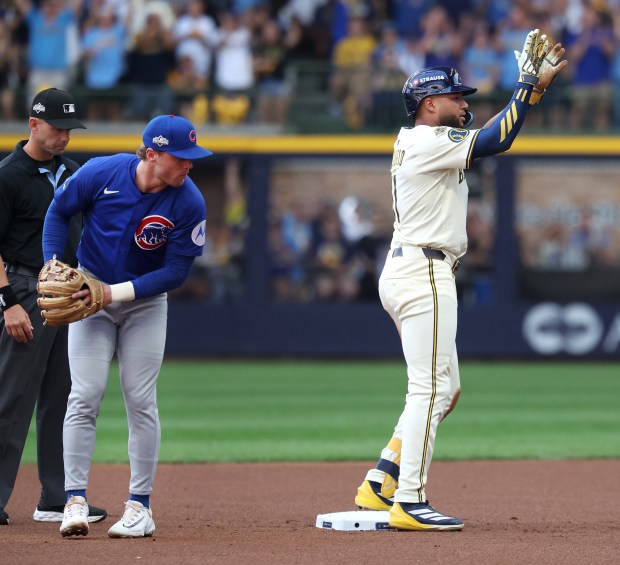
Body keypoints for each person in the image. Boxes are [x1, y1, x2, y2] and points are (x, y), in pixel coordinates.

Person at [354, 30, 567, 530]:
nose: (461, 101)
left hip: (413, 267)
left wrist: (531, 95)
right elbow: (498, 139)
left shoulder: (422, 139)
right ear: (428, 105)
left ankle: (380, 480)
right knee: (428, 389)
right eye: (453, 96)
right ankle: (409, 501)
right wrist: (524, 83)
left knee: (445, 390)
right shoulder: (428, 140)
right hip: (423, 271)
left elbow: (491, 131)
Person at [41, 114, 212, 538]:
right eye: (181, 157)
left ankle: (140, 506)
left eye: (192, 157)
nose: (189, 165)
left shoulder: (189, 202)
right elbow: (58, 212)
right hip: (88, 297)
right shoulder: (103, 172)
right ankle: (74, 500)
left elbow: (175, 272)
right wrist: (51, 261)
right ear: (151, 154)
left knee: (140, 399)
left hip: (144, 306)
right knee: (84, 394)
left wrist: (111, 294)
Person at [0, 88, 106, 526]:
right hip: (25, 289)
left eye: (70, 129)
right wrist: (8, 303)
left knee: (64, 396)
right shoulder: (8, 175)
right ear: (34, 124)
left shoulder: (71, 170)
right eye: (58, 128)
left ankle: (56, 496)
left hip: (70, 292)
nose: (64, 136)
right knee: (11, 396)